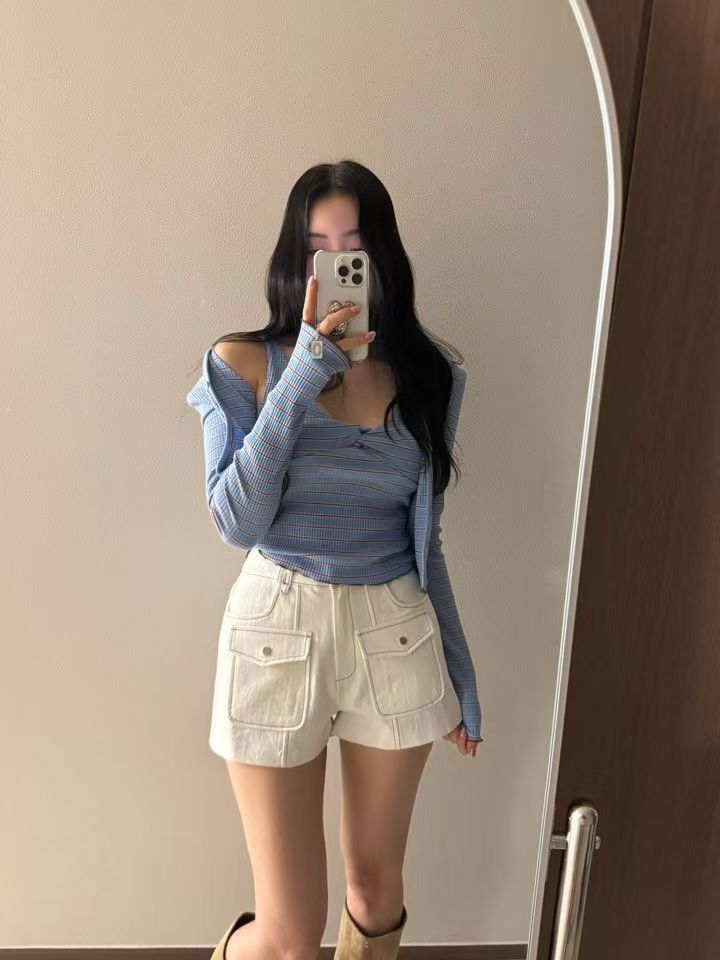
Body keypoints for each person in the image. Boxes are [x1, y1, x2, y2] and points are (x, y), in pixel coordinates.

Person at [186, 160, 483, 960]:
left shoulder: (431, 379)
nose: (338, 260)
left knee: (377, 894)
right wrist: (305, 373)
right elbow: (236, 520)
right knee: (290, 932)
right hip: (277, 627)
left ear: (383, 255)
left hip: (396, 630)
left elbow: (426, 540)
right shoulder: (242, 362)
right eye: (318, 246)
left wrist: (461, 672)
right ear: (296, 259)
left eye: (353, 244)